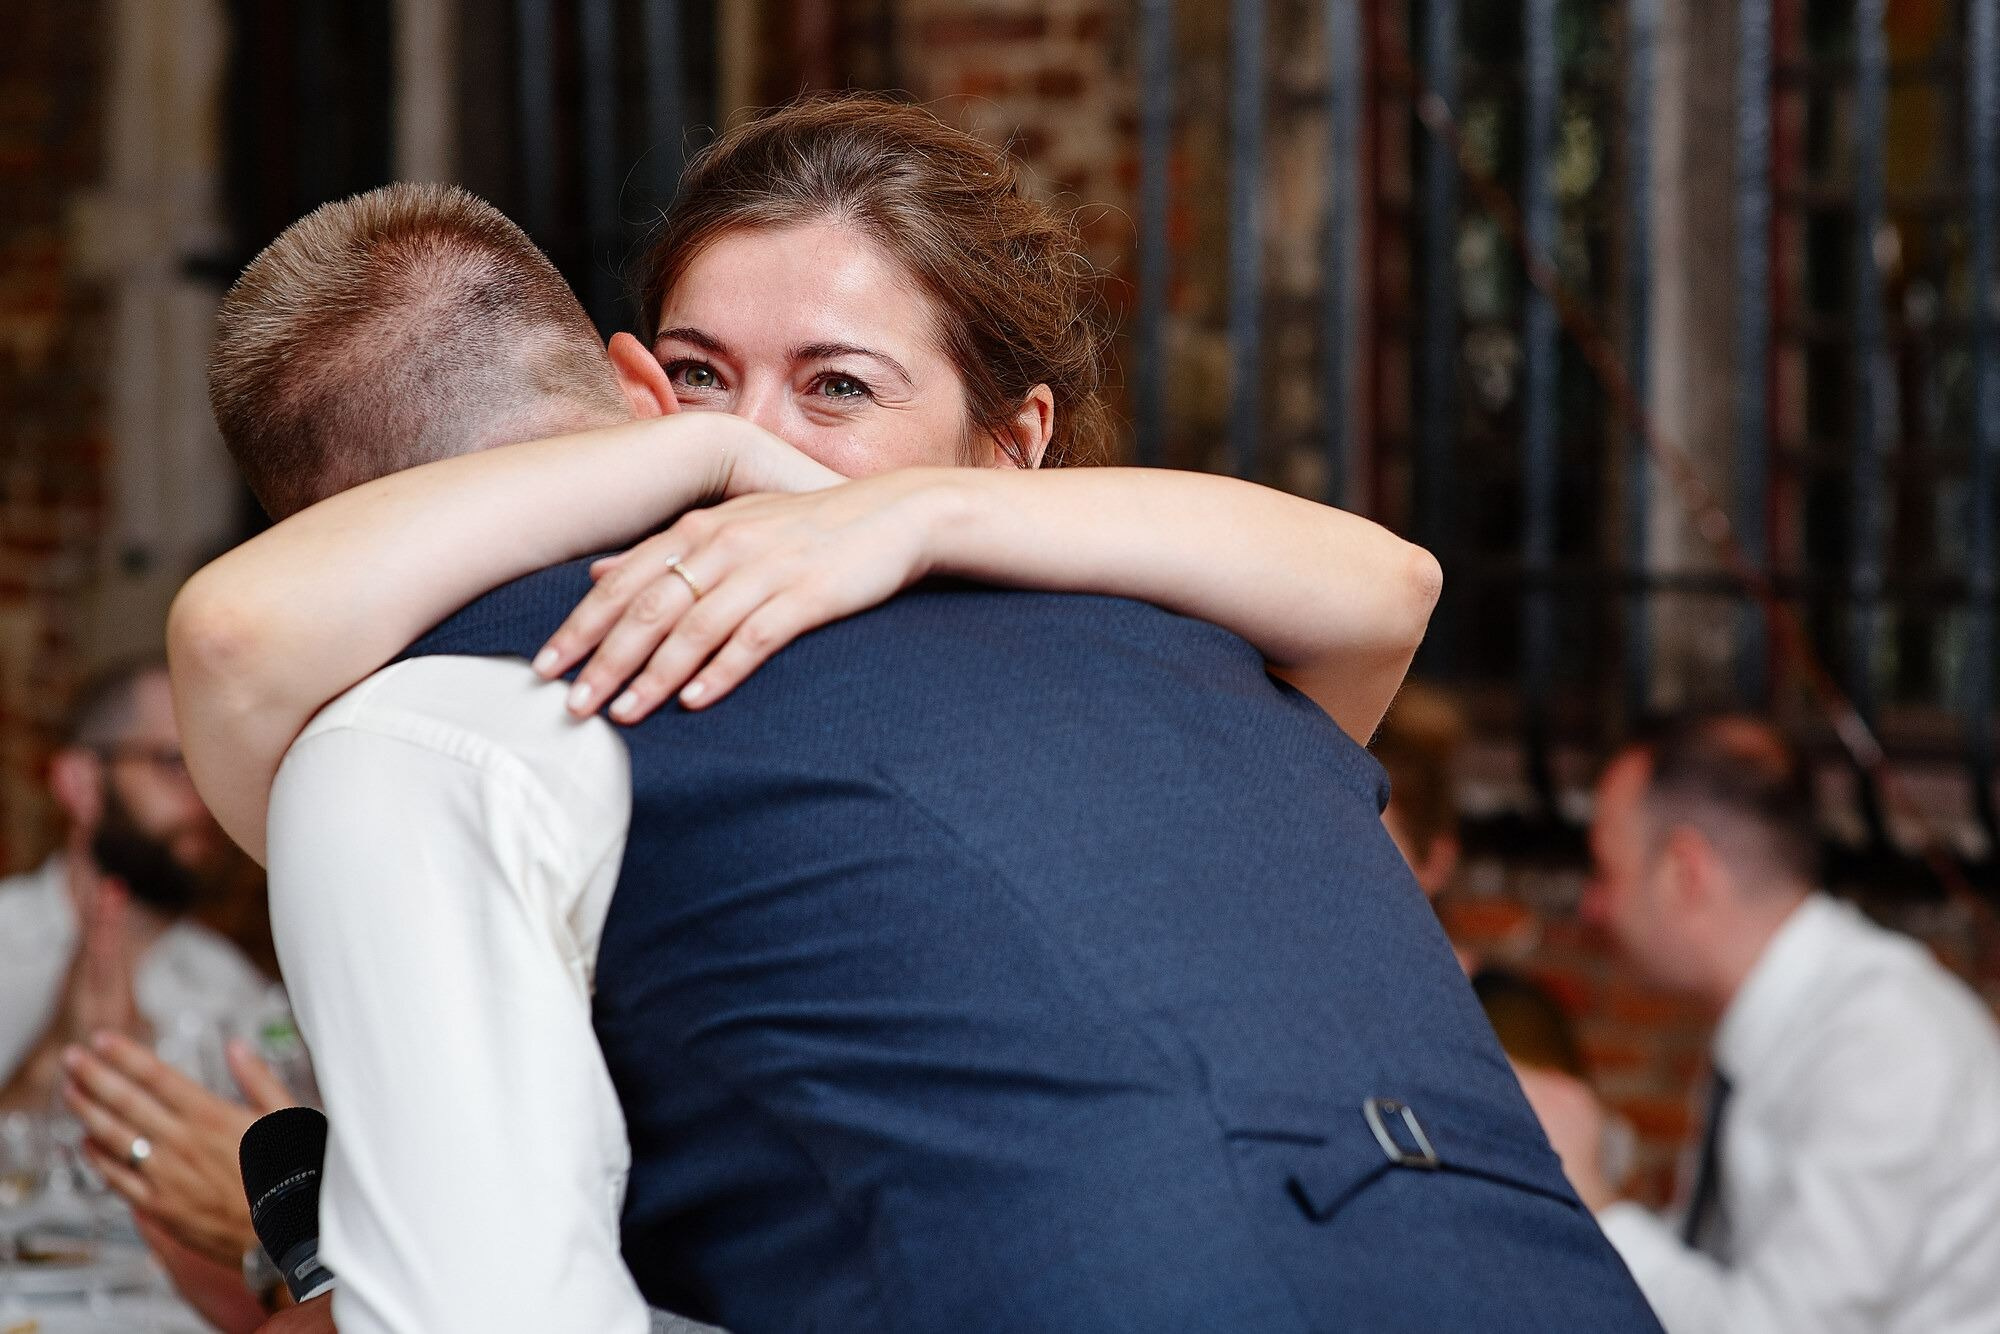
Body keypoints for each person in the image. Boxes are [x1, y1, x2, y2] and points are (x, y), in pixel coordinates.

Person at [176, 99, 1660, 1332]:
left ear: (1016, 451)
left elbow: (492, 1311)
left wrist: (854, 506)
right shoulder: (1191, 640)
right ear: (634, 393)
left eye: (836, 387)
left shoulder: (449, 716)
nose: (754, 439)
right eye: (700, 381)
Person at [1519, 714, 2000, 1333]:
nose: (1593, 906)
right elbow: (1721, 1267)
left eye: (1606, 871)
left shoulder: (1885, 1039)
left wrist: (1594, 1199)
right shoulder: (1789, 1016)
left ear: (1686, 872)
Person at [0, 659, 270, 1109]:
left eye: (215, 772)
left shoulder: (239, 994)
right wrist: (53, 1058)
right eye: (175, 763)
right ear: (81, 782)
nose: (206, 800)